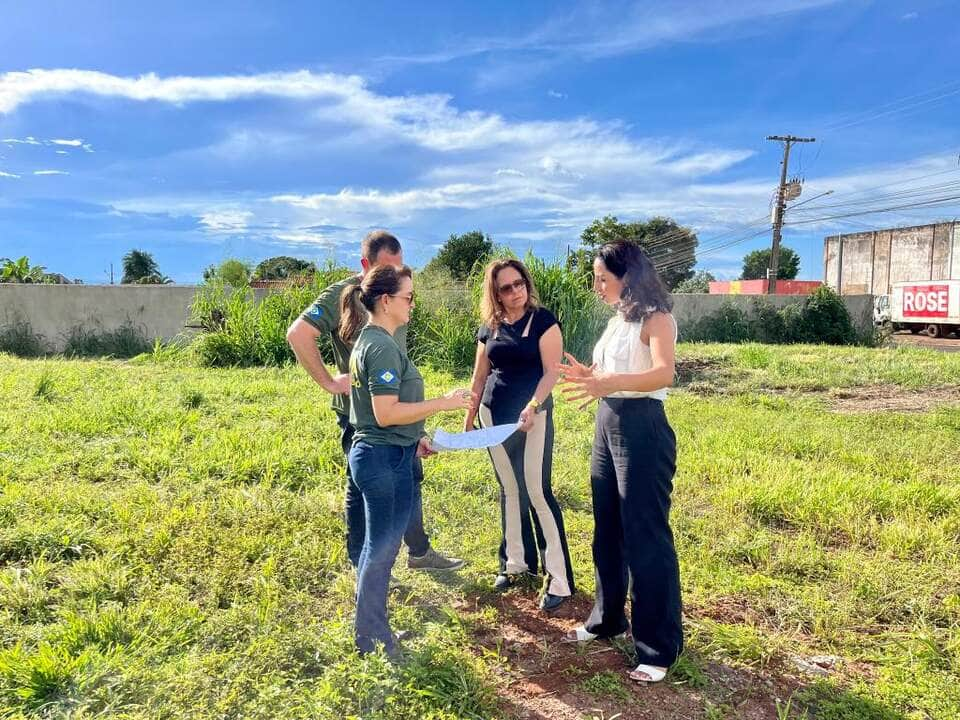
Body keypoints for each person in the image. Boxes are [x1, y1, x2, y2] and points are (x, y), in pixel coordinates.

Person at [287, 230, 463, 571]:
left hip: (399, 410)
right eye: (386, 269)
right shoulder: (343, 293)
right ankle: (362, 565)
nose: (395, 277)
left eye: (399, 268)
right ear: (365, 266)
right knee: (363, 488)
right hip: (362, 418)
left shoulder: (398, 291)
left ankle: (420, 553)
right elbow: (299, 333)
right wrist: (328, 381)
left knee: (410, 478)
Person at [558, 240, 682, 684]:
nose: (596, 286)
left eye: (602, 278)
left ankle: (657, 647)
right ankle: (608, 619)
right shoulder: (617, 322)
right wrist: (589, 377)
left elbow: (664, 372)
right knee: (607, 527)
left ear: (627, 277)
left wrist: (611, 380)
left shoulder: (657, 319)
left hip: (642, 427)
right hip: (607, 422)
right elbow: (605, 374)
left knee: (645, 533)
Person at [341, 264, 474, 656]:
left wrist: (414, 438)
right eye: (408, 297)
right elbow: (385, 412)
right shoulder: (380, 345)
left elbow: (384, 414)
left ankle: (371, 634)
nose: (413, 303)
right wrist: (445, 404)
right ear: (386, 301)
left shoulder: (377, 340)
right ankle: (373, 640)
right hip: (381, 459)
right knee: (380, 552)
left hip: (389, 452)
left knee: (378, 548)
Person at [464, 258, 575, 612]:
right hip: (492, 415)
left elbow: (551, 373)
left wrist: (533, 405)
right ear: (495, 293)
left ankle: (559, 578)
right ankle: (515, 563)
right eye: (506, 287)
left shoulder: (544, 321)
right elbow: (480, 376)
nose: (516, 291)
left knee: (537, 491)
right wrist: (470, 415)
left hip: (532, 416)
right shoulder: (490, 327)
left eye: (520, 283)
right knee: (509, 489)